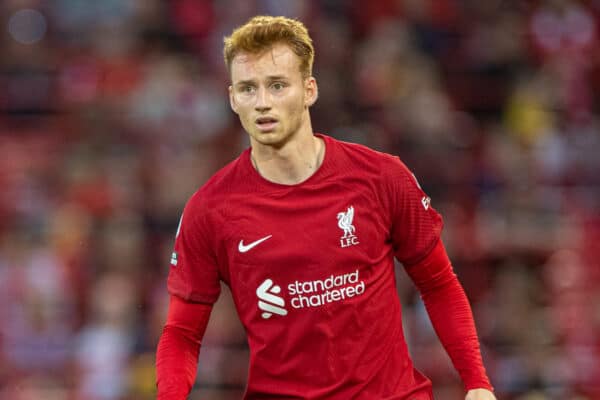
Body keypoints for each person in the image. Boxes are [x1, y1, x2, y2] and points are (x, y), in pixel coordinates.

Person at [156, 15, 497, 400]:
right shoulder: (210, 209)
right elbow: (182, 333)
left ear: (309, 90)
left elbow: (438, 284)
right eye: (248, 89)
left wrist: (477, 382)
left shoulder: (381, 177)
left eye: (278, 85)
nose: (262, 103)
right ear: (233, 98)